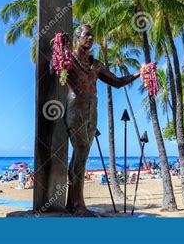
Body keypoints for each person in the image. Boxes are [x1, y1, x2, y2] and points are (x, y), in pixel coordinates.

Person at [59, 24, 141, 216]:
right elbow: (53, 67)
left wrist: (139, 73)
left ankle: (72, 205)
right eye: (87, 35)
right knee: (80, 155)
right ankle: (78, 206)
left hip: (92, 112)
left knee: (80, 157)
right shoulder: (69, 59)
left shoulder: (95, 65)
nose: (90, 38)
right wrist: (61, 48)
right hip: (75, 110)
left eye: (92, 35)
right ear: (77, 37)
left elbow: (118, 82)